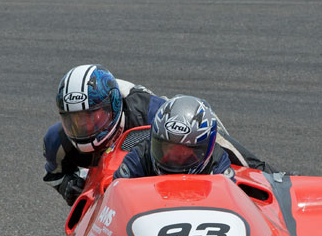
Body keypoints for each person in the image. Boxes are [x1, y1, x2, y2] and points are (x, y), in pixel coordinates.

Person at [43, 64, 166, 204]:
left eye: (91, 117)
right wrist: (66, 185)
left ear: (112, 108)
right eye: (74, 119)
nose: (83, 126)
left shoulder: (152, 114)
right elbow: (53, 174)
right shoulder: (57, 142)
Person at [113, 95, 237, 180]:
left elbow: (227, 200)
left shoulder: (217, 162)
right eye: (168, 146)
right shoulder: (140, 156)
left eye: (184, 151)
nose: (174, 157)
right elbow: (116, 194)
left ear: (204, 150)